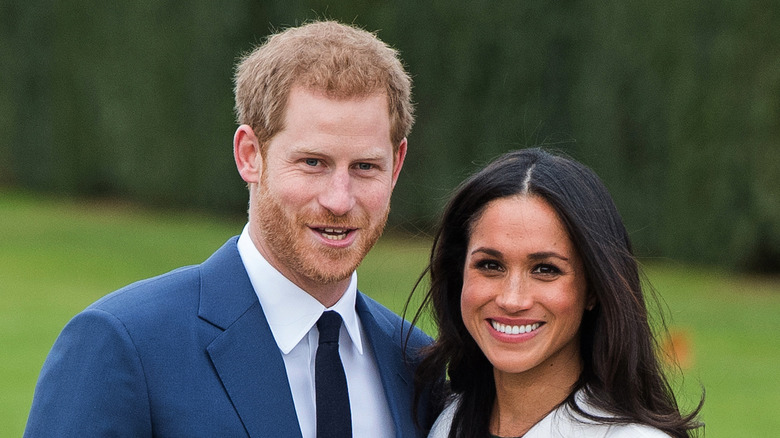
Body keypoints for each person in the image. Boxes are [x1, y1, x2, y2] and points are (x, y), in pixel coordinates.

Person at [25, 20, 436, 437]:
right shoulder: (124, 346)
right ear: (249, 155)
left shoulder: (418, 363)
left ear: (397, 165)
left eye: (365, 167)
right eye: (313, 162)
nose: (339, 199)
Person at [410, 148, 703, 437]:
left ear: (592, 289)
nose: (512, 299)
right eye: (490, 265)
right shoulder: (441, 422)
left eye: (545, 269)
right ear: (458, 274)